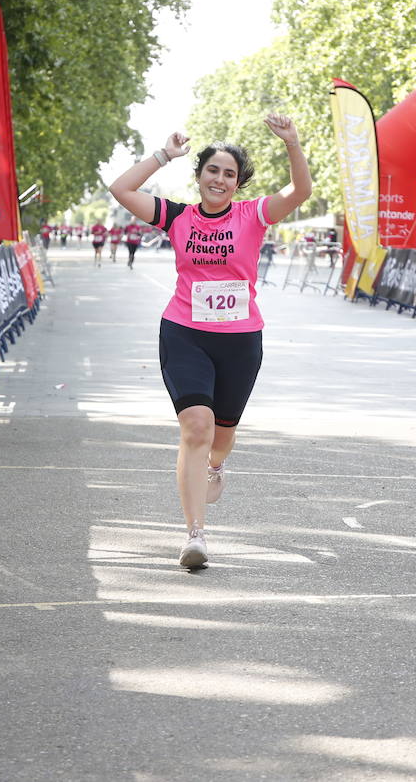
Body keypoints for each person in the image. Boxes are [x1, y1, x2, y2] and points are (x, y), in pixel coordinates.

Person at [108, 114, 311, 569]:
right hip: (184, 334)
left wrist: (292, 144)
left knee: (221, 436)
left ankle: (217, 466)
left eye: (229, 174)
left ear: (238, 183)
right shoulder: (178, 216)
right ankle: (195, 535)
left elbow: (300, 193)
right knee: (196, 428)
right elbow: (121, 190)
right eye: (212, 170)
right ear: (199, 176)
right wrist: (164, 154)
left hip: (240, 341)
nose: (219, 179)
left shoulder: (253, 214)